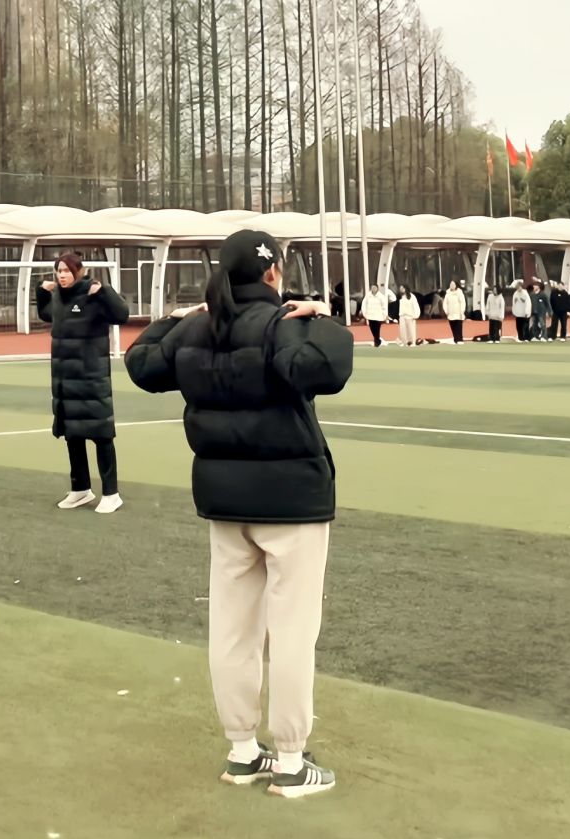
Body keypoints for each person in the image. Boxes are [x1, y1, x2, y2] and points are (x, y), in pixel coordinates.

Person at [123, 228, 353, 799]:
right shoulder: (281, 324)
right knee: (292, 632)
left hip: (225, 503)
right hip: (292, 501)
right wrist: (320, 316)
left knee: (232, 631)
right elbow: (329, 367)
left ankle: (243, 751)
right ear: (273, 272)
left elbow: (141, 363)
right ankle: (292, 761)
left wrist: (177, 319)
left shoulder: (199, 328)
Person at [38, 252, 132, 514]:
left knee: (102, 435)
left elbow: (122, 314)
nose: (62, 275)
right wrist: (42, 293)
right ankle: (80, 489)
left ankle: (111, 493)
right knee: (73, 435)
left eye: (66, 271)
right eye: (59, 271)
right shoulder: (59, 297)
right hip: (65, 381)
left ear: (78, 272)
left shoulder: (93, 293)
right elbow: (46, 314)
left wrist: (104, 292)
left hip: (91, 380)